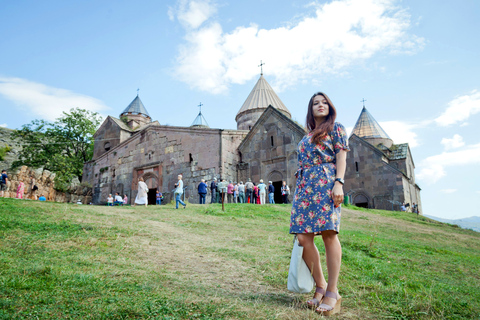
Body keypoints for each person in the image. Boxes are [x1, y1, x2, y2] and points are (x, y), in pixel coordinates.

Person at [290, 92, 349, 316]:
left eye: (324, 102)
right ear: (310, 109)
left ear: (330, 107)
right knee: (303, 237)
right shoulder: (307, 136)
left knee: (328, 233)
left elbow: (341, 156)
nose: (320, 105)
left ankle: (333, 292)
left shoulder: (336, 128)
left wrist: (339, 183)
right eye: (316, 103)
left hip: (326, 182)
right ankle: (320, 285)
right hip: (305, 187)